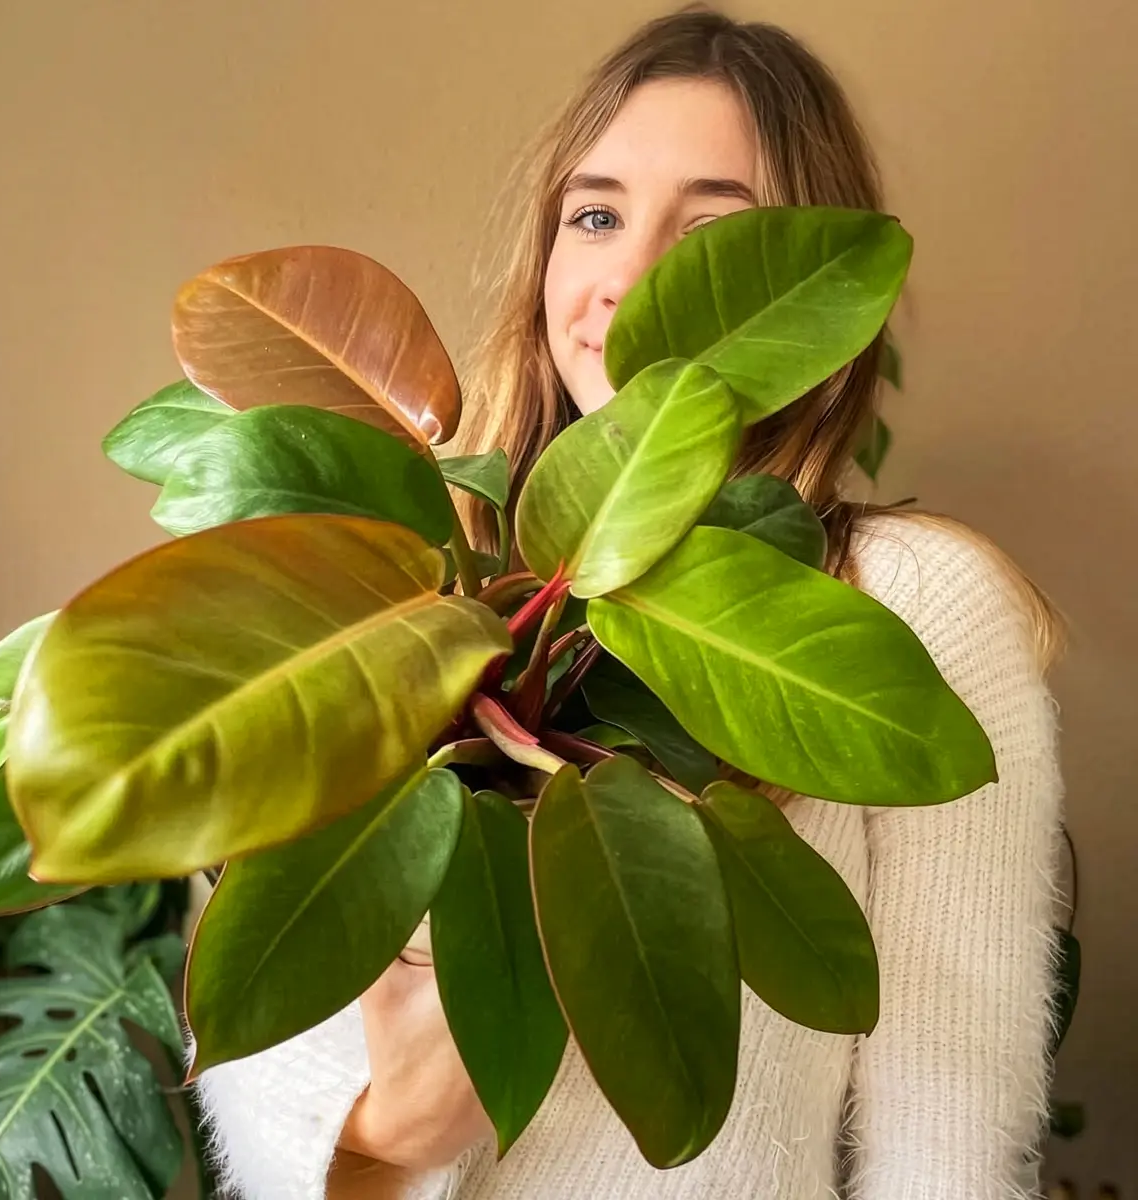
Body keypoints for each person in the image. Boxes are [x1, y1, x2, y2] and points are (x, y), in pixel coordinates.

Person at [194, 9, 1065, 1198]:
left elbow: (946, 1130)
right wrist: (395, 1125)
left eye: (715, 236)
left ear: (806, 299)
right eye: (595, 215)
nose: (634, 277)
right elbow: (264, 1035)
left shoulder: (910, 603)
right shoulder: (397, 581)